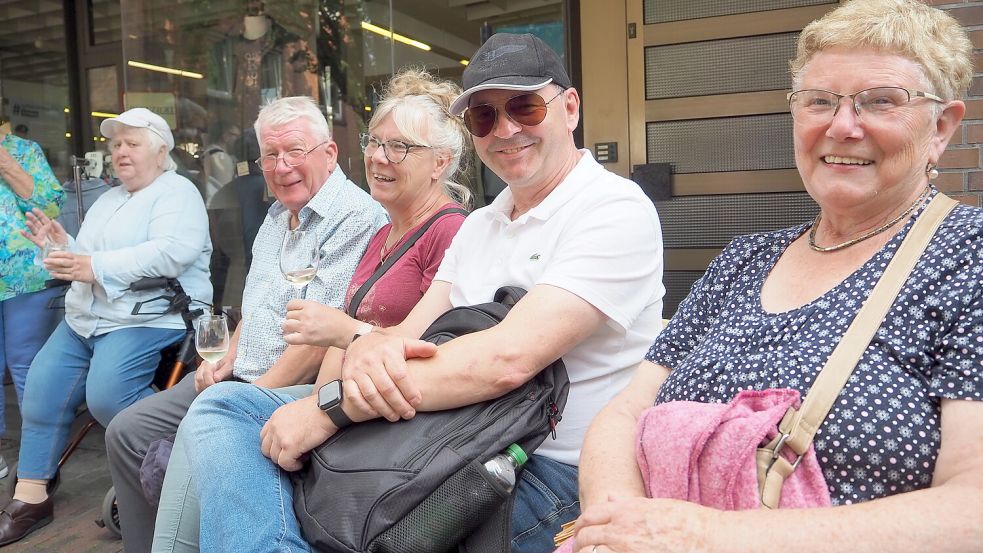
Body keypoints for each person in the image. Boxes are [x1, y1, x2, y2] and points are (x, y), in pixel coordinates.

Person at [177, 32, 665, 553]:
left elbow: (507, 359)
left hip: (540, 467)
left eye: (524, 106)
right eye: (484, 117)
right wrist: (366, 347)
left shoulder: (613, 209)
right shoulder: (481, 225)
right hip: (445, 431)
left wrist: (329, 407)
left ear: (569, 108)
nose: (505, 129)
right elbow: (405, 337)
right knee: (226, 407)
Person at [566, 2, 982, 552]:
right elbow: (624, 412)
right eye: (819, 102)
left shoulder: (968, 254)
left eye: (881, 101)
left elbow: (970, 508)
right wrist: (615, 526)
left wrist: (706, 538)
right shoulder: (743, 260)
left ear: (942, 127)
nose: (842, 126)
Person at [150, 67, 472, 552]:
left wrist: (320, 400)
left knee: (217, 412)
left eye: (400, 147)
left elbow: (412, 347)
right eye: (375, 142)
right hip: (341, 397)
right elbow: (325, 336)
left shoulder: (450, 232)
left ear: (440, 163)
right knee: (207, 417)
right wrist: (313, 396)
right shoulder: (384, 234)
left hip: (391, 415)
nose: (380, 158)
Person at [104, 96, 387, 553]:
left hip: (288, 385)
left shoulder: (357, 217)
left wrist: (239, 397)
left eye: (295, 151)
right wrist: (224, 361)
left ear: (329, 154)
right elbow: (255, 307)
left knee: (202, 429)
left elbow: (320, 342)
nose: (282, 166)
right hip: (242, 373)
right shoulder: (276, 215)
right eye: (270, 155)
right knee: (126, 432)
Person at [0, 107, 213, 546]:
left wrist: (91, 264)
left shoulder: (178, 193)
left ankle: (183, 461)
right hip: (88, 317)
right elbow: (87, 256)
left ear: (161, 150)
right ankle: (31, 497)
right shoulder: (110, 199)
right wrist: (60, 244)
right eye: (115, 144)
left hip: (151, 315)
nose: (120, 152)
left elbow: (172, 252)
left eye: (131, 143)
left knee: (107, 395)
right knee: (41, 389)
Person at [0, 126, 63, 478]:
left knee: (26, 367)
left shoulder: (24, 150)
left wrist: (8, 166)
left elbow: (52, 204)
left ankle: (36, 464)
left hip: (27, 276)